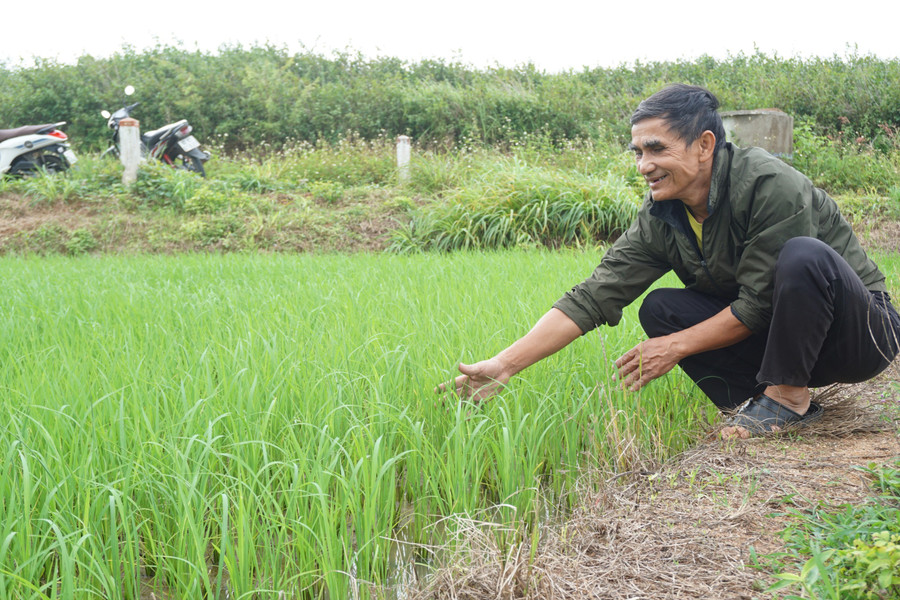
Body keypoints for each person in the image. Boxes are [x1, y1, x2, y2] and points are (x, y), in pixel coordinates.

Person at [439, 83, 900, 438]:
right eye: (638, 152)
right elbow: (595, 295)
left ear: (703, 145)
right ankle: (759, 404)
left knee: (802, 257)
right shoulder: (662, 214)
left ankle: (787, 399)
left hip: (859, 336)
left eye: (657, 149)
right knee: (661, 308)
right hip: (787, 345)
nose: (643, 164)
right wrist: (506, 365)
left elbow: (760, 303)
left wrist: (676, 347)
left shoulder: (769, 184)